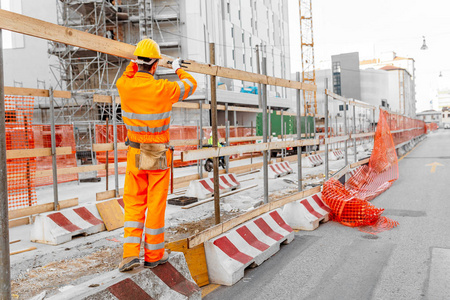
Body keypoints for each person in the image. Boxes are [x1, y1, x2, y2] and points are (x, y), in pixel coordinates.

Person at [116, 38, 197, 272]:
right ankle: (153, 255)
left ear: (137, 62)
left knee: (133, 205)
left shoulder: (125, 85)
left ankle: (130, 255)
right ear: (154, 65)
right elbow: (191, 85)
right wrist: (177, 68)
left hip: (135, 153)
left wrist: (136, 61)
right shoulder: (164, 89)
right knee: (155, 204)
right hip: (158, 154)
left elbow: (129, 73)